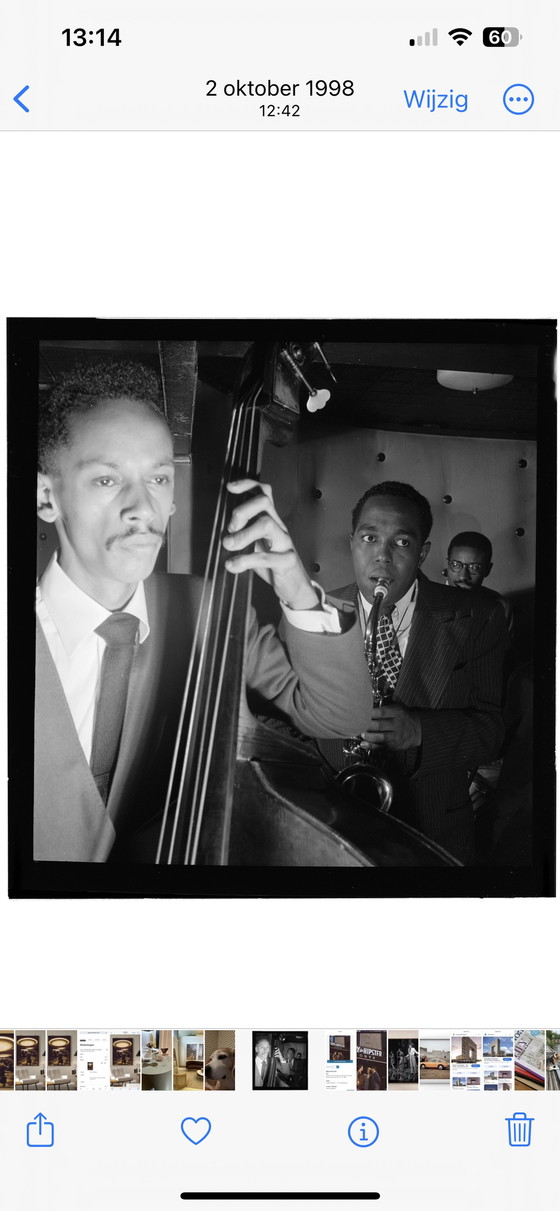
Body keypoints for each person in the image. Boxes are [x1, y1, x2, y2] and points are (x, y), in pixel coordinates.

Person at [34, 361, 374, 864]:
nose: (142, 508)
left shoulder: (209, 610)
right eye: (106, 480)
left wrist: (296, 586)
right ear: (46, 496)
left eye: (158, 478)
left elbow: (342, 716)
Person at [316, 482, 509, 863]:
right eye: (369, 537)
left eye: (401, 543)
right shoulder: (313, 615)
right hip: (333, 831)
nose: (382, 557)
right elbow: (282, 722)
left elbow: (492, 731)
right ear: (352, 541)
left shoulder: (479, 617)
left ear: (422, 553)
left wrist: (419, 731)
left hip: (435, 832)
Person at [444, 531, 513, 632]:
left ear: (488, 570)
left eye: (474, 567)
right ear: (448, 564)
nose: (463, 576)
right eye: (456, 565)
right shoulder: (424, 600)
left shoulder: (501, 608)